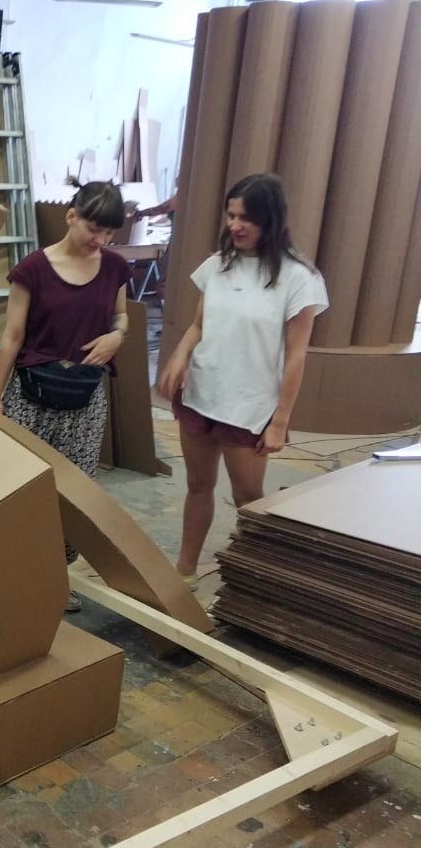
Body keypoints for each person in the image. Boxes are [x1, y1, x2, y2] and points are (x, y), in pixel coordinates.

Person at [155, 173, 327, 582]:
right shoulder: (218, 265)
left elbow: (296, 356)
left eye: (245, 217)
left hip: (249, 407)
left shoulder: (298, 278)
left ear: (270, 219)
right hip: (201, 394)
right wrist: (179, 355)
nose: (235, 225)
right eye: (231, 215)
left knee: (247, 497)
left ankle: (254, 581)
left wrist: (280, 421)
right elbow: (199, 325)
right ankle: (185, 568)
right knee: (198, 485)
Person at [0, 180, 132, 612]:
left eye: (109, 233)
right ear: (72, 216)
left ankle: (53, 578)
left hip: (84, 401)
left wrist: (117, 337)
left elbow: (120, 316)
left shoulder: (114, 268)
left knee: (73, 492)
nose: (100, 239)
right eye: (94, 228)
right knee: (17, 488)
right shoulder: (32, 269)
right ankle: (0, 576)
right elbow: (12, 336)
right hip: (31, 396)